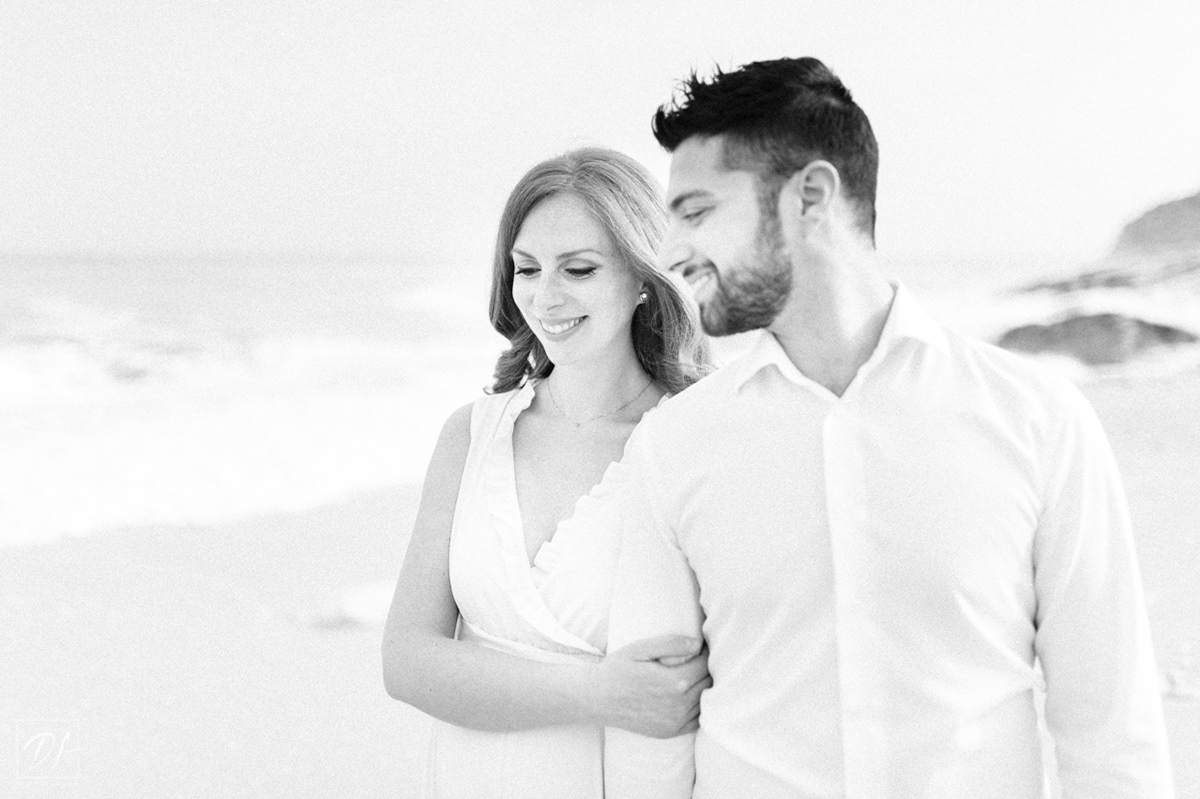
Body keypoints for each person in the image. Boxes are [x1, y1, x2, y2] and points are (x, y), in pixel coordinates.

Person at [599, 58, 1175, 797]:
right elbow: (653, 734)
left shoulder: (1039, 421)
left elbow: (1109, 731)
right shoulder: (673, 445)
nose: (672, 250)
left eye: (697, 211)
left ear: (810, 196)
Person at [382, 146, 712, 798]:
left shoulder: (689, 445)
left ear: (644, 277)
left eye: (579, 269)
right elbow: (406, 661)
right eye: (527, 269)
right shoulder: (471, 434)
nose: (545, 296)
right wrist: (599, 691)